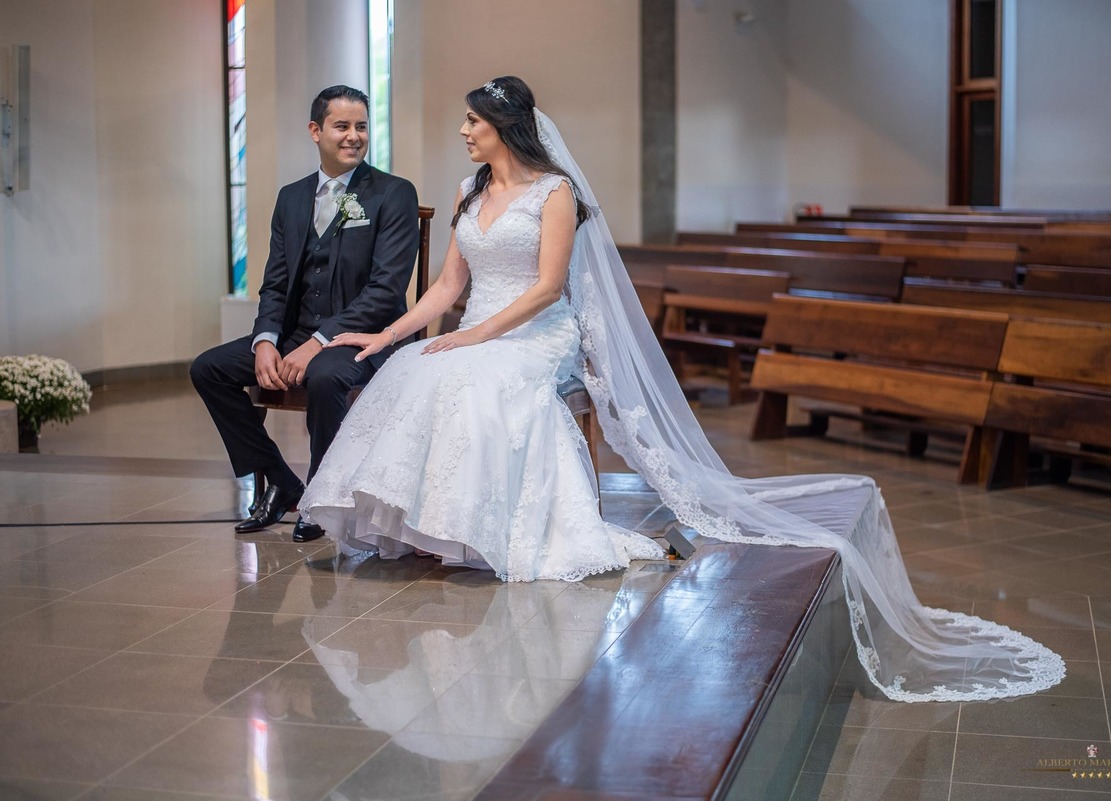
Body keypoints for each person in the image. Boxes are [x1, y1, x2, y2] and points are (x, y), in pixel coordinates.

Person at [302, 76, 1066, 702]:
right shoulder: (472, 190)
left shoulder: (555, 193)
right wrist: (393, 334)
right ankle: (429, 526)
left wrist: (471, 335)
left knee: (476, 375)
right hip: (481, 326)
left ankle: (484, 526)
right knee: (414, 370)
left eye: (472, 121)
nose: (463, 132)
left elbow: (545, 290)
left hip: (535, 332)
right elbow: (445, 285)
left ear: (503, 125)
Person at [191, 85, 420, 543]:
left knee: (324, 377)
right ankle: (280, 478)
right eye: (342, 126)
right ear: (316, 131)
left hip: (366, 337)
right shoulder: (291, 198)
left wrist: (319, 343)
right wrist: (265, 342)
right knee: (209, 368)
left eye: (361, 127)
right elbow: (275, 282)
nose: (354, 136)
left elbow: (386, 290)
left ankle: (320, 493)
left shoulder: (393, 194)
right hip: (297, 334)